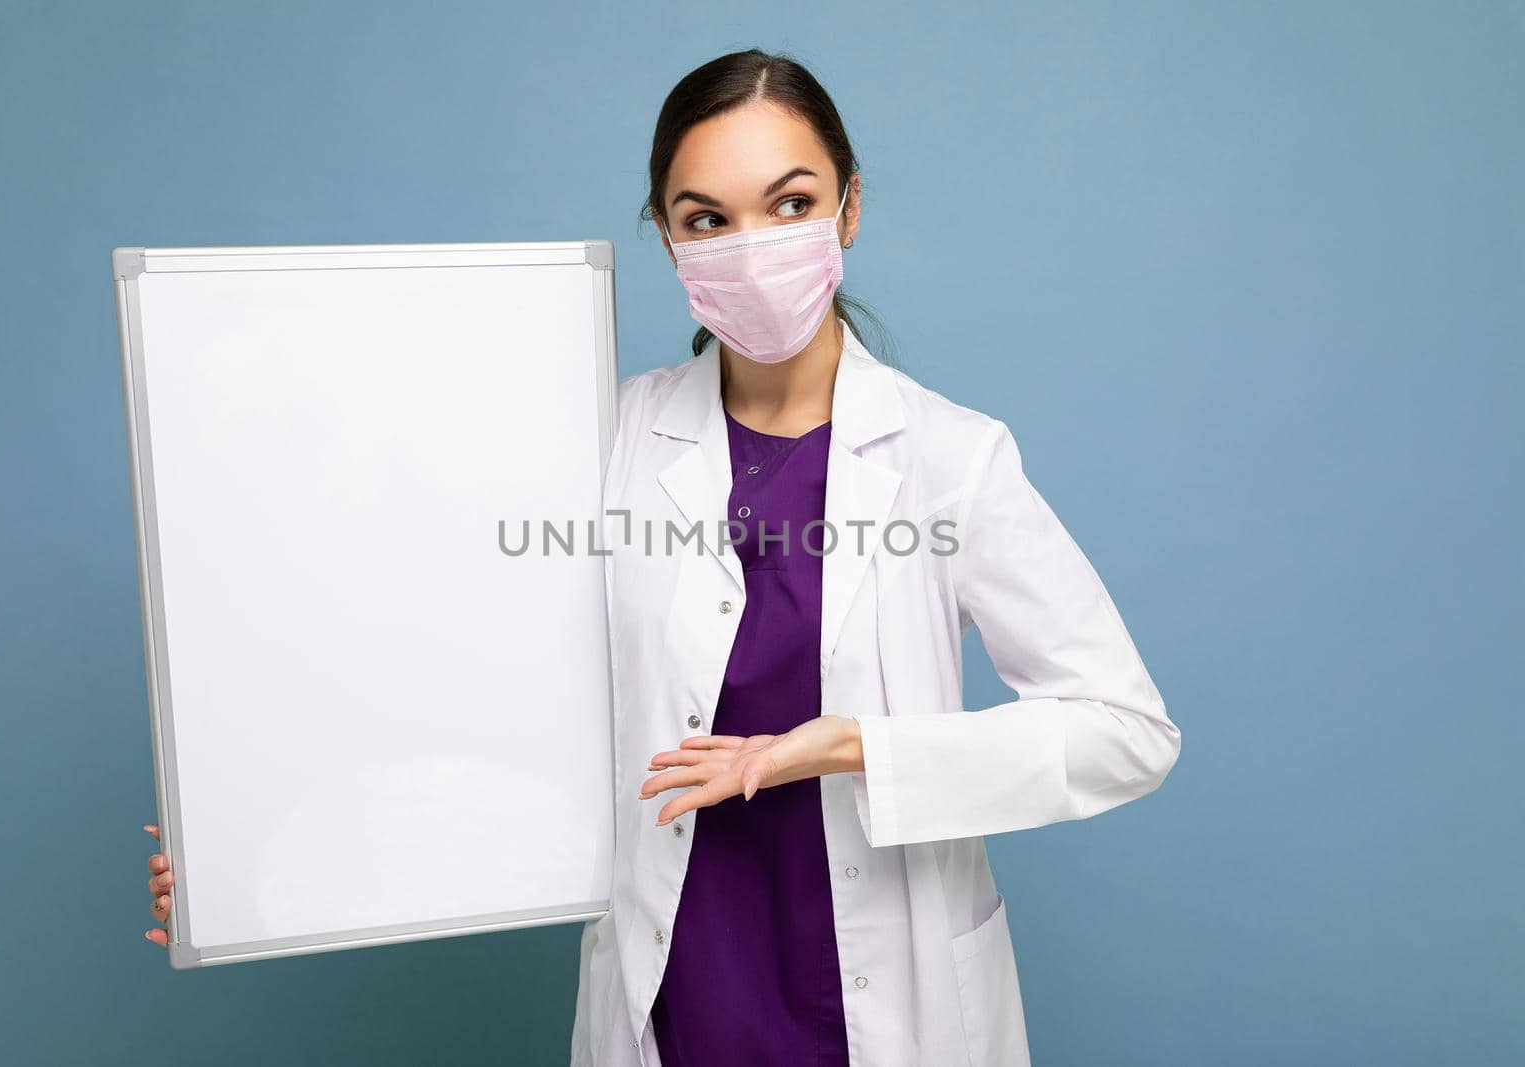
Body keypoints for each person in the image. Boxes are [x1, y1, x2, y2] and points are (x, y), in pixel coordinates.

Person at [142, 48, 1181, 1067]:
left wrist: (849, 744)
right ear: (667, 238)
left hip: (886, 999)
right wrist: (246, 845)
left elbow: (1124, 731)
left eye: (789, 203)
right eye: (706, 219)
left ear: (849, 207)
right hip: (681, 991)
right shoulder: (600, 439)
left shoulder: (951, 457)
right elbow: (451, 674)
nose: (752, 246)